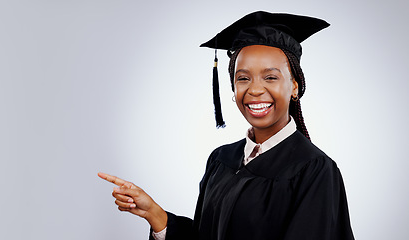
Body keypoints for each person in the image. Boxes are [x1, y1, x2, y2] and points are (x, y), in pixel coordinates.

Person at [98, 11, 355, 240]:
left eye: (271, 77)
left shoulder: (314, 170)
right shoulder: (222, 159)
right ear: (233, 87)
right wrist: (155, 214)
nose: (255, 89)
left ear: (295, 86)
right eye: (243, 78)